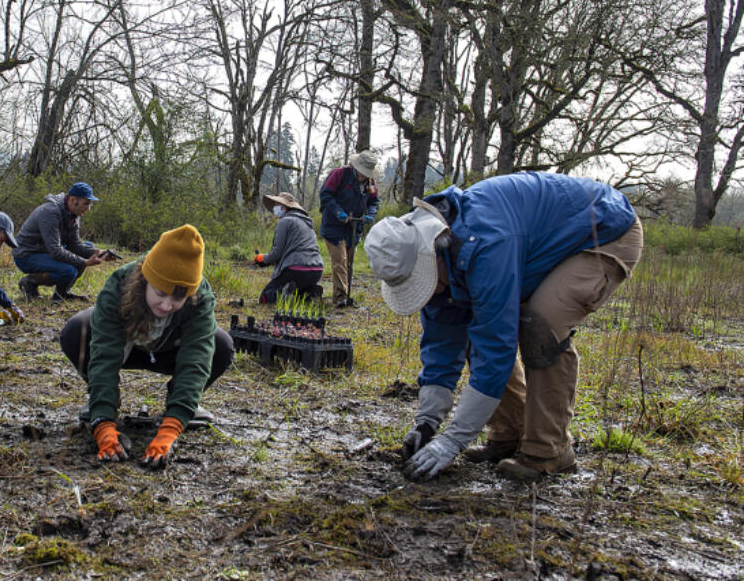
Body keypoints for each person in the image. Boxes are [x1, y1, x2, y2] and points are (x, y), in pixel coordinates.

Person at [363, 172, 644, 483]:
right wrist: (427, 422)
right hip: (540, 247)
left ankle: (549, 452)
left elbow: (496, 345)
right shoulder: (439, 255)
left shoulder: (486, 243)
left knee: (541, 323)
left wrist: (452, 441)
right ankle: (508, 434)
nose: (429, 289)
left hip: (603, 232)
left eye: (424, 279)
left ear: (433, 250)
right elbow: (441, 344)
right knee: (475, 330)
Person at [59, 225, 233, 468]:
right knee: (77, 330)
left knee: (221, 344)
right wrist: (103, 423)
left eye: (177, 299)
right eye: (160, 293)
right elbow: (104, 353)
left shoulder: (201, 296)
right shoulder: (120, 284)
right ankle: (103, 401)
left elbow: (198, 356)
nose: (166, 305)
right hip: (125, 348)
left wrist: (171, 428)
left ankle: (182, 405)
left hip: (169, 351)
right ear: (145, 280)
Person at [14, 182, 113, 302]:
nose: (88, 209)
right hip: (27, 255)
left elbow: (75, 245)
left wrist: (99, 252)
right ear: (72, 200)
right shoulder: (50, 212)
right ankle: (29, 283)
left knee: (89, 247)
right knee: (69, 270)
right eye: (86, 204)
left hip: (45, 251)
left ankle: (62, 294)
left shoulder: (74, 214)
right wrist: (84, 261)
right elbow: (55, 250)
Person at [319, 150, 380, 308]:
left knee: (350, 262)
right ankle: (340, 298)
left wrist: (370, 214)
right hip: (334, 225)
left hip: (354, 226)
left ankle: (346, 294)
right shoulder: (340, 174)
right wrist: (338, 211)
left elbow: (374, 202)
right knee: (340, 261)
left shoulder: (370, 182)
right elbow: (325, 195)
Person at [254, 192, 324, 303]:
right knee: (296, 288)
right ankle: (309, 293)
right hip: (317, 270)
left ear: (284, 206)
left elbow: (276, 253)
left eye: (277, 204)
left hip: (295, 269)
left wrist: (262, 258)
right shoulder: (307, 222)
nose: (275, 207)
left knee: (265, 296)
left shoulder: (285, 221)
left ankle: (284, 295)